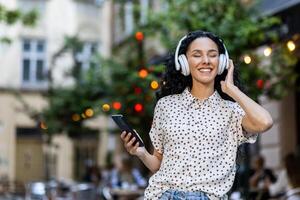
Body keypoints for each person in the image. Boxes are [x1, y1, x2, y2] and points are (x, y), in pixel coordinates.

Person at [120, 30, 273, 200]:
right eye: (197, 55)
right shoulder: (166, 105)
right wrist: (140, 152)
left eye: (212, 55)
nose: (206, 61)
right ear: (184, 62)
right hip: (162, 195)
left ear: (221, 62)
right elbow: (158, 164)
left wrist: (231, 89)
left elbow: (265, 122)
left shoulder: (232, 111)